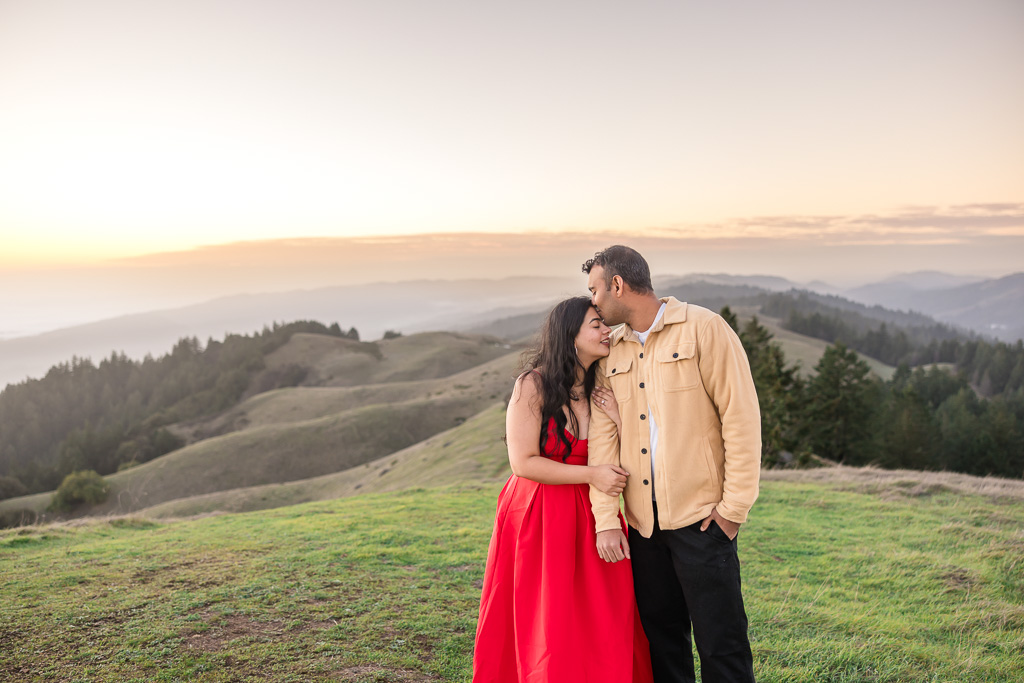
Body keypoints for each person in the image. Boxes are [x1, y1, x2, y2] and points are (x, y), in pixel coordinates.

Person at [583, 246, 761, 683]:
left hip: (703, 522)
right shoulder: (613, 352)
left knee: (722, 645)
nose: (594, 303)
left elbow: (741, 420)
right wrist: (607, 518)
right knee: (663, 645)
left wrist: (732, 512)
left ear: (618, 286)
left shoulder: (705, 329)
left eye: (595, 291)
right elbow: (604, 443)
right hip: (644, 531)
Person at [473, 296, 654, 683]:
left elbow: (632, 451)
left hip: (595, 508)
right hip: (540, 510)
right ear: (569, 335)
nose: (607, 331)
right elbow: (523, 462)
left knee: (607, 608)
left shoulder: (603, 385)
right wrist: (591, 476)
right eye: (596, 324)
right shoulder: (533, 385)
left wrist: (621, 419)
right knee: (549, 613)